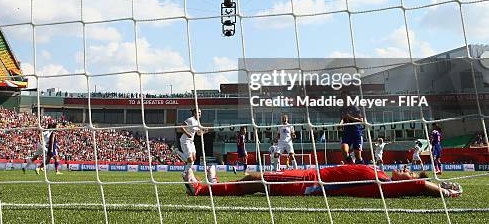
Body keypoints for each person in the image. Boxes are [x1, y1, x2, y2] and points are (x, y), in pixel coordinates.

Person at [183, 164, 462, 198]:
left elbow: (418, 185)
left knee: (255, 179)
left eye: (410, 171)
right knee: (253, 180)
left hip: (308, 183)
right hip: (309, 176)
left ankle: (201, 189)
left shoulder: (385, 184)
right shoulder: (381, 175)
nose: (406, 170)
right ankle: (208, 186)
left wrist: (443, 190)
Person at [179, 108, 205, 177]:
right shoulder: (190, 120)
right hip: (185, 140)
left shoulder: (198, 122)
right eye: (198, 112)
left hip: (191, 141)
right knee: (190, 159)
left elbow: (198, 134)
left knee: (194, 158)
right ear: (194, 113)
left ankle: (186, 172)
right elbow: (181, 127)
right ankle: (176, 152)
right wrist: (187, 134)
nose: (199, 114)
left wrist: (204, 131)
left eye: (200, 112)